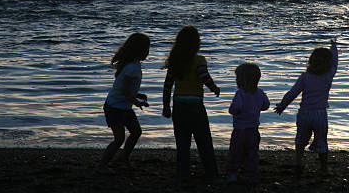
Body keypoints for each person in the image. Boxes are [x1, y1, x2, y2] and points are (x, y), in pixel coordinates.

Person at [162, 25, 220, 180]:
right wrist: (214, 88)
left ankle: (183, 173)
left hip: (179, 105)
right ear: (197, 43)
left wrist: (166, 106)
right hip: (195, 105)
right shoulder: (199, 60)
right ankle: (211, 172)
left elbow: (167, 85)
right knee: (204, 140)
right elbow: (204, 76)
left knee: (182, 142)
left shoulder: (175, 62)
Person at [274, 39, 338, 175]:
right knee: (321, 140)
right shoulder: (328, 75)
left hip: (304, 113)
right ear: (328, 63)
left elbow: (292, 93)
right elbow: (335, 62)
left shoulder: (305, 76)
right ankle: (324, 168)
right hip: (320, 114)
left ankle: (298, 163)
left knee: (301, 139)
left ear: (311, 61)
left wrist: (282, 106)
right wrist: (334, 46)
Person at [98, 32, 150, 173]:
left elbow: (126, 88)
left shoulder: (133, 64)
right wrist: (137, 102)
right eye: (147, 48)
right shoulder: (131, 68)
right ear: (139, 50)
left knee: (136, 132)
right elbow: (125, 91)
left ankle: (123, 158)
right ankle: (102, 166)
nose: (148, 52)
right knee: (119, 138)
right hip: (114, 107)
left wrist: (137, 94)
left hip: (123, 106)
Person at [226, 63, 270, 185]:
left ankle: (233, 173)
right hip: (253, 130)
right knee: (252, 153)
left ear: (242, 79)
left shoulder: (240, 93)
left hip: (240, 130)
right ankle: (252, 174)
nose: (236, 80)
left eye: (237, 77)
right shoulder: (260, 93)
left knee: (235, 152)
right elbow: (266, 105)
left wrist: (232, 111)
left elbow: (236, 107)